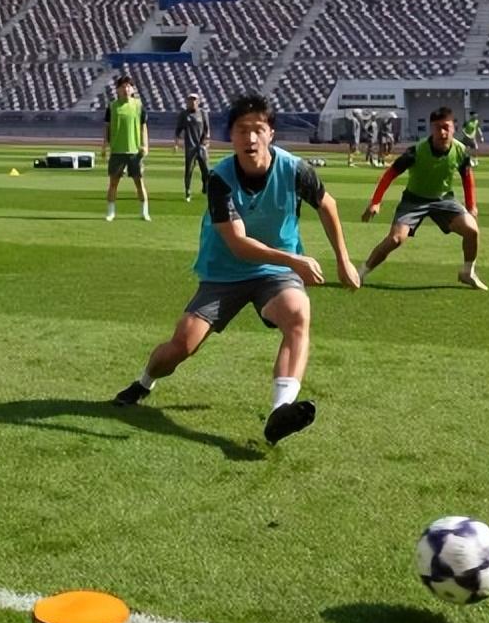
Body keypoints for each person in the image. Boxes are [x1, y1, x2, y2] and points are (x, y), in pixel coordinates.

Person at [111, 93, 361, 445]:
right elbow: (238, 243)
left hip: (273, 272)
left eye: (258, 129)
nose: (251, 137)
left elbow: (327, 205)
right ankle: (144, 382)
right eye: (242, 130)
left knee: (297, 313)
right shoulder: (220, 178)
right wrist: (294, 260)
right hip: (225, 272)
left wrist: (343, 259)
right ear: (231, 136)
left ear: (271, 133)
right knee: (182, 345)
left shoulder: (295, 169)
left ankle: (281, 410)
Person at [358, 107, 486, 291]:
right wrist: (376, 202)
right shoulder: (416, 151)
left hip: (443, 200)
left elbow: (467, 176)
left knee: (472, 230)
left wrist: (471, 205)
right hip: (414, 200)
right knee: (396, 239)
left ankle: (468, 272)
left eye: (446, 127)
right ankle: (360, 273)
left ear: (454, 128)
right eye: (437, 128)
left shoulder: (460, 150)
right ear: (431, 128)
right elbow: (390, 174)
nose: (442, 132)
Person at [102, 75, 149, 221]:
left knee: (139, 182)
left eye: (128, 86)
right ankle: (111, 212)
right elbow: (107, 128)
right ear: (117, 90)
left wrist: (145, 145)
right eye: (122, 87)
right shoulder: (112, 107)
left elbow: (143, 127)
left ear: (132, 89)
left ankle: (144, 212)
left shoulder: (138, 106)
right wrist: (104, 146)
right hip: (117, 150)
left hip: (134, 151)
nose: (125, 89)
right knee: (113, 183)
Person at [174, 93, 210, 202]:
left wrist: (206, 141)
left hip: (201, 146)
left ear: (198, 101)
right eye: (190, 100)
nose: (192, 102)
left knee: (206, 170)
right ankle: (188, 191)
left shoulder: (203, 113)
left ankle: (205, 187)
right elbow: (178, 129)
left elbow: (207, 129)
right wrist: (176, 143)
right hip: (190, 147)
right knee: (189, 170)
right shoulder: (184, 114)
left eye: (194, 100)